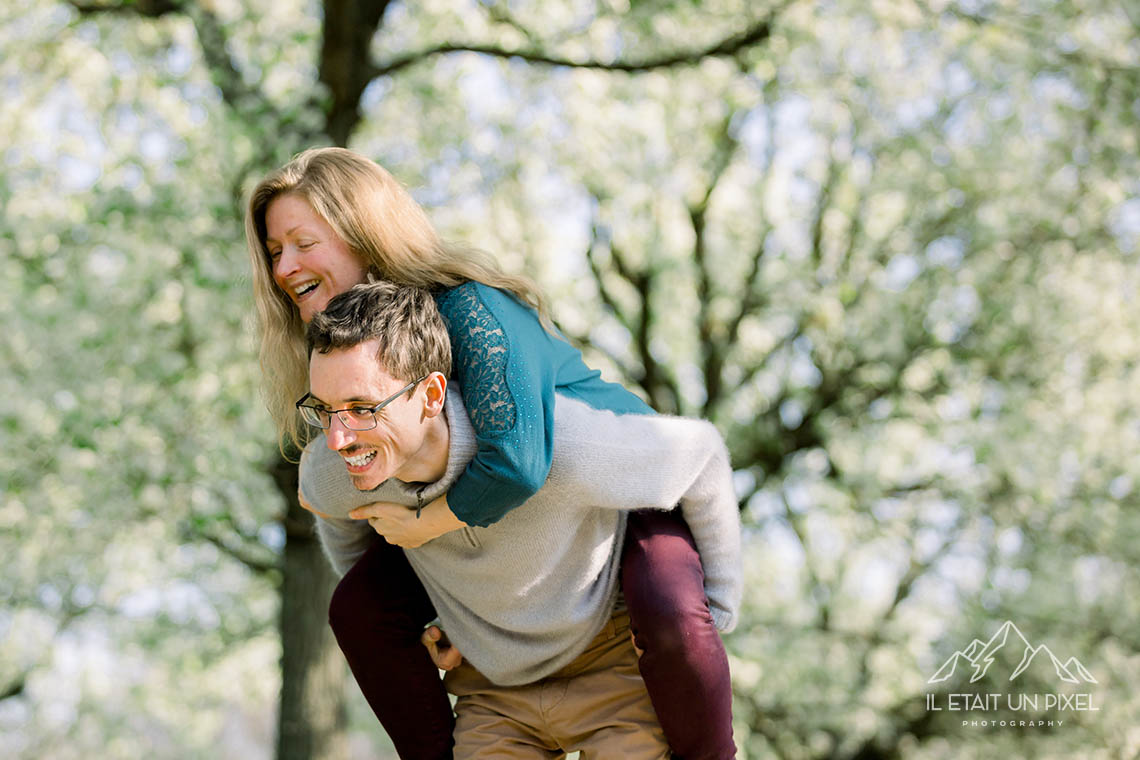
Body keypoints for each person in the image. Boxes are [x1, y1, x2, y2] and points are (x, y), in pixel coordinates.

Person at [245, 147, 738, 759]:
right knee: (362, 607)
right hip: (496, 517)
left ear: (362, 236)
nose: (284, 266)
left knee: (669, 606)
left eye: (301, 242)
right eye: (273, 252)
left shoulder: (466, 308)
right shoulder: (349, 354)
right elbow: (354, 494)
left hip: (612, 484)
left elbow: (518, 457)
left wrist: (427, 524)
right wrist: (443, 606)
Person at [298, 281, 741, 758]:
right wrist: (432, 616)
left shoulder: (563, 447)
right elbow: (340, 522)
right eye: (325, 411)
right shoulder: (342, 469)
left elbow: (703, 454)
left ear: (430, 396)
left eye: (363, 409)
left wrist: (715, 614)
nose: (339, 438)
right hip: (494, 696)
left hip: (609, 668)